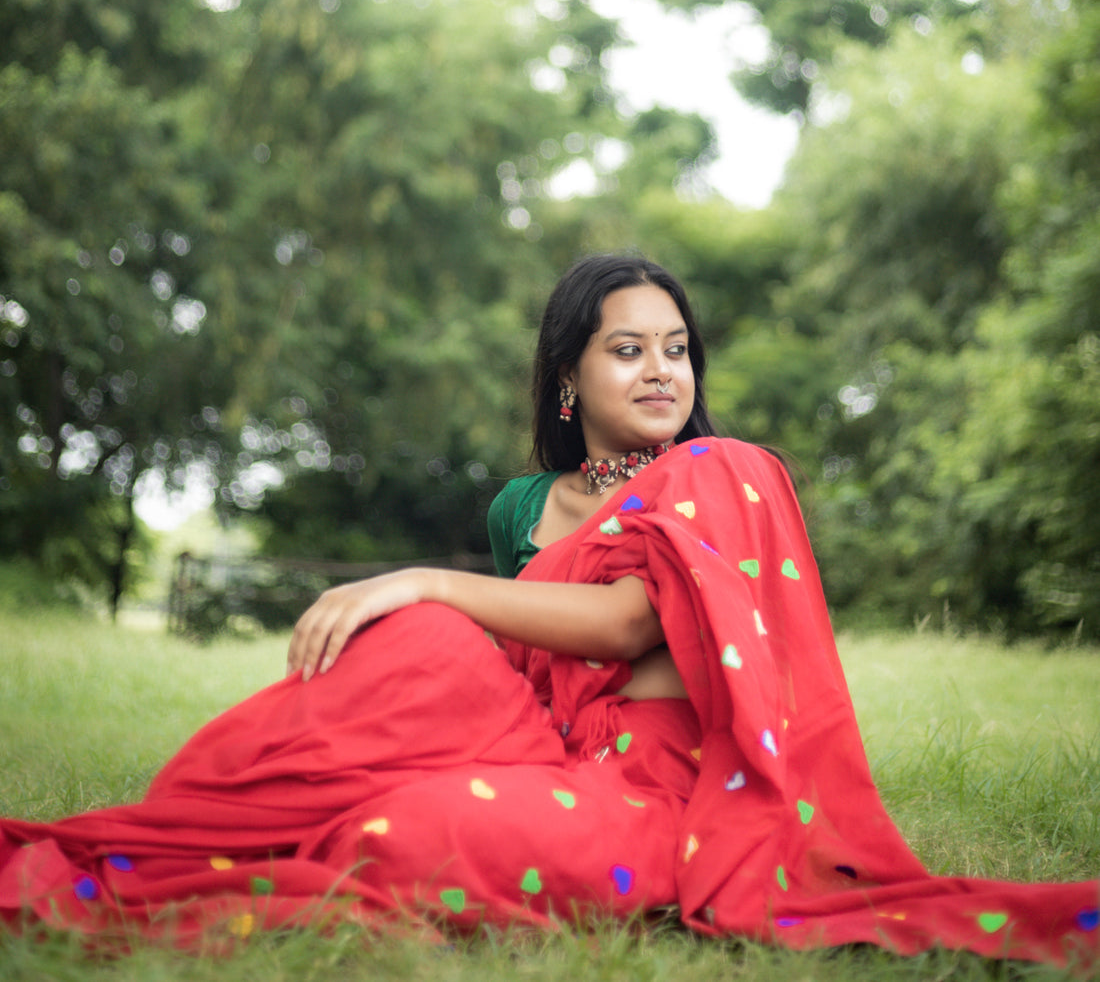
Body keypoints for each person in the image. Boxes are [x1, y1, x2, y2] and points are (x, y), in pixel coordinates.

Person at [0, 254, 1096, 964]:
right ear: (569, 377)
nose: (660, 370)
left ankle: (273, 833)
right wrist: (421, 627)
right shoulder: (522, 507)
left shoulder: (720, 471)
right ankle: (165, 828)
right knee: (412, 644)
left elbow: (624, 627)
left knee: (400, 821)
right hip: (542, 749)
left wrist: (422, 578)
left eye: (675, 350)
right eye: (628, 350)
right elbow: (504, 662)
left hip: (662, 790)